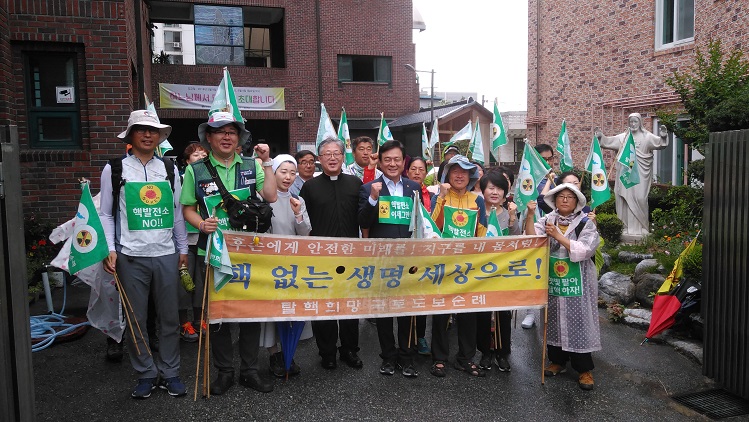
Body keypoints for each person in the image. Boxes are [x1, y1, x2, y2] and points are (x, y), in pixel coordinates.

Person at [180, 111, 277, 395]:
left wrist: (267, 162)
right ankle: (224, 371)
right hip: (211, 250)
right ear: (208, 138)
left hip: (249, 250)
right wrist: (201, 223)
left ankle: (249, 370)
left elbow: (270, 195)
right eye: (220, 131)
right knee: (217, 315)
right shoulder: (195, 170)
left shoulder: (251, 164)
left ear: (239, 139)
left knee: (249, 313)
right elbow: (186, 207)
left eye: (232, 132)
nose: (226, 136)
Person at [99, 109, 188, 399]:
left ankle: (171, 371)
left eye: (153, 131)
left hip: (165, 254)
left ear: (159, 136)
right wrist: (110, 250)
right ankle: (146, 373)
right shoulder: (114, 169)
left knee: (170, 318)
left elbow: (176, 214)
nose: (148, 135)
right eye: (141, 130)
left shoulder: (171, 169)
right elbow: (106, 215)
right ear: (131, 135)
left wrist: (182, 248)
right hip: (130, 256)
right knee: (136, 318)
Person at [525, 183, 601, 391]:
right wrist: (530, 215)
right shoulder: (547, 220)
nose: (565, 200)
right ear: (554, 200)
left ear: (577, 202)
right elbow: (533, 239)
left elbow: (586, 249)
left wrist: (558, 236)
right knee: (554, 318)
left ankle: (584, 369)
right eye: (561, 196)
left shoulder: (585, 223)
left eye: (570, 196)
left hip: (578, 280)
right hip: (553, 278)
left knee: (579, 320)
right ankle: (557, 361)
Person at [358, 140, 422, 378]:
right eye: (387, 159)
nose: (392, 164)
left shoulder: (413, 187)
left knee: (406, 310)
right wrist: (374, 198)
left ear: (403, 161)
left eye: (397, 159)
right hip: (382, 260)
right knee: (384, 311)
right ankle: (388, 356)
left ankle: (407, 357)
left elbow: (420, 223)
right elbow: (363, 222)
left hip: (408, 259)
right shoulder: (368, 188)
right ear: (381, 162)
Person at [300, 137, 364, 370]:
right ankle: (326, 351)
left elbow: (364, 216)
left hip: (350, 255)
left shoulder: (355, 184)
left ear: (343, 156)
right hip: (321, 257)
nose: (333, 157)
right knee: (323, 305)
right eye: (327, 154)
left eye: (337, 153)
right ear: (320, 159)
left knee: (349, 306)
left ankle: (349, 349)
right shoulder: (310, 187)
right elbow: (303, 222)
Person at [429, 155, 487, 378]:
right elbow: (433, 227)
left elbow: (481, 231)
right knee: (441, 313)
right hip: (442, 264)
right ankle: (439, 358)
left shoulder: (477, 200)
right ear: (447, 175)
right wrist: (441, 199)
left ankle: (466, 358)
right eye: (455, 171)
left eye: (465, 171)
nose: (460, 175)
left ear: (471, 175)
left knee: (467, 313)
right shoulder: (439, 197)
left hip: (468, 265)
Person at [262, 154, 314, 377]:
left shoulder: (297, 200)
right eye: (283, 172)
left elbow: (305, 232)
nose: (288, 177)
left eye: (292, 173)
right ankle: (274, 354)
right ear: (273, 172)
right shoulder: (263, 197)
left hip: (292, 265)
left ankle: (288, 353)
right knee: (272, 312)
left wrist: (298, 214)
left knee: (289, 310)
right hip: (269, 264)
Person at [595, 113, 669, 236]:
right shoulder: (623, 137)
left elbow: (660, 143)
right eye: (631, 122)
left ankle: (643, 227)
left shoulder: (647, 137)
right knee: (623, 200)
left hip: (641, 176)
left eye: (635, 122)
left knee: (640, 198)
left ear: (640, 123)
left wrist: (663, 136)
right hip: (625, 176)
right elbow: (607, 141)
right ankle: (624, 227)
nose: (633, 124)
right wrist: (600, 136)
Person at [476, 170, 520, 372]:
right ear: (483, 190)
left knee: (503, 313)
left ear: (505, 191)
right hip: (480, 271)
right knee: (483, 313)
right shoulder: (475, 212)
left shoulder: (509, 213)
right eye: (490, 188)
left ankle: (503, 353)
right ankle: (485, 352)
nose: (495, 192)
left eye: (499, 188)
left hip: (503, 271)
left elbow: (517, 239)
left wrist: (512, 219)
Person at [522, 143, 557, 329]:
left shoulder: (557, 180)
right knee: (531, 270)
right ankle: (530, 313)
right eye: (542, 159)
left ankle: (549, 313)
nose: (547, 162)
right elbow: (535, 200)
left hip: (552, 230)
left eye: (549, 158)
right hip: (531, 228)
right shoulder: (528, 179)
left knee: (549, 270)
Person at [178, 143, 208, 343]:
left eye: (203, 155)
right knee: (183, 282)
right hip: (185, 241)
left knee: (201, 281)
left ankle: (200, 319)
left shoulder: (210, 180)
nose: (200, 158)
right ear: (187, 162)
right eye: (195, 155)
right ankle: (183, 323)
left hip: (204, 239)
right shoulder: (180, 180)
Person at [406, 156, 432, 356]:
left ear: (425, 173)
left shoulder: (432, 195)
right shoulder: (402, 191)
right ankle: (407, 337)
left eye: (420, 169)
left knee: (421, 296)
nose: (416, 172)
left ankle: (421, 336)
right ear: (407, 171)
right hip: (405, 250)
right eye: (413, 169)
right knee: (406, 294)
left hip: (425, 251)